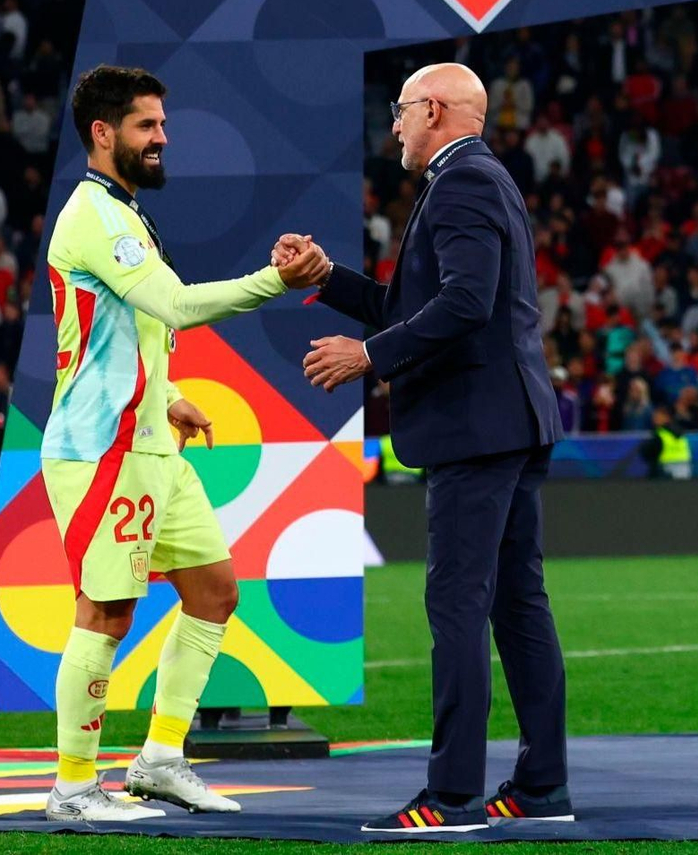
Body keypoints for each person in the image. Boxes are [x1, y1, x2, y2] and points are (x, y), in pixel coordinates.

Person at [278, 62, 569, 833]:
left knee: (459, 606)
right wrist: (328, 278)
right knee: (516, 605)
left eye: (403, 113)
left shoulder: (461, 183)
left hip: (477, 429)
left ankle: (453, 797)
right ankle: (541, 788)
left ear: (433, 109)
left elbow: (466, 305)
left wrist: (368, 355)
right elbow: (423, 304)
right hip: (507, 421)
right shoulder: (481, 177)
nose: (395, 127)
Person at [37, 65, 326, 823]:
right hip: (101, 449)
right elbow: (170, 304)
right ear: (102, 134)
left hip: (149, 440)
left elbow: (108, 334)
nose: (163, 138)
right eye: (146, 126)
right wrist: (275, 279)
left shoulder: (123, 211)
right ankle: (72, 788)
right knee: (105, 611)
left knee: (213, 592)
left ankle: (161, 759)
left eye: (163, 124)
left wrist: (168, 395)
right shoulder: (94, 215)